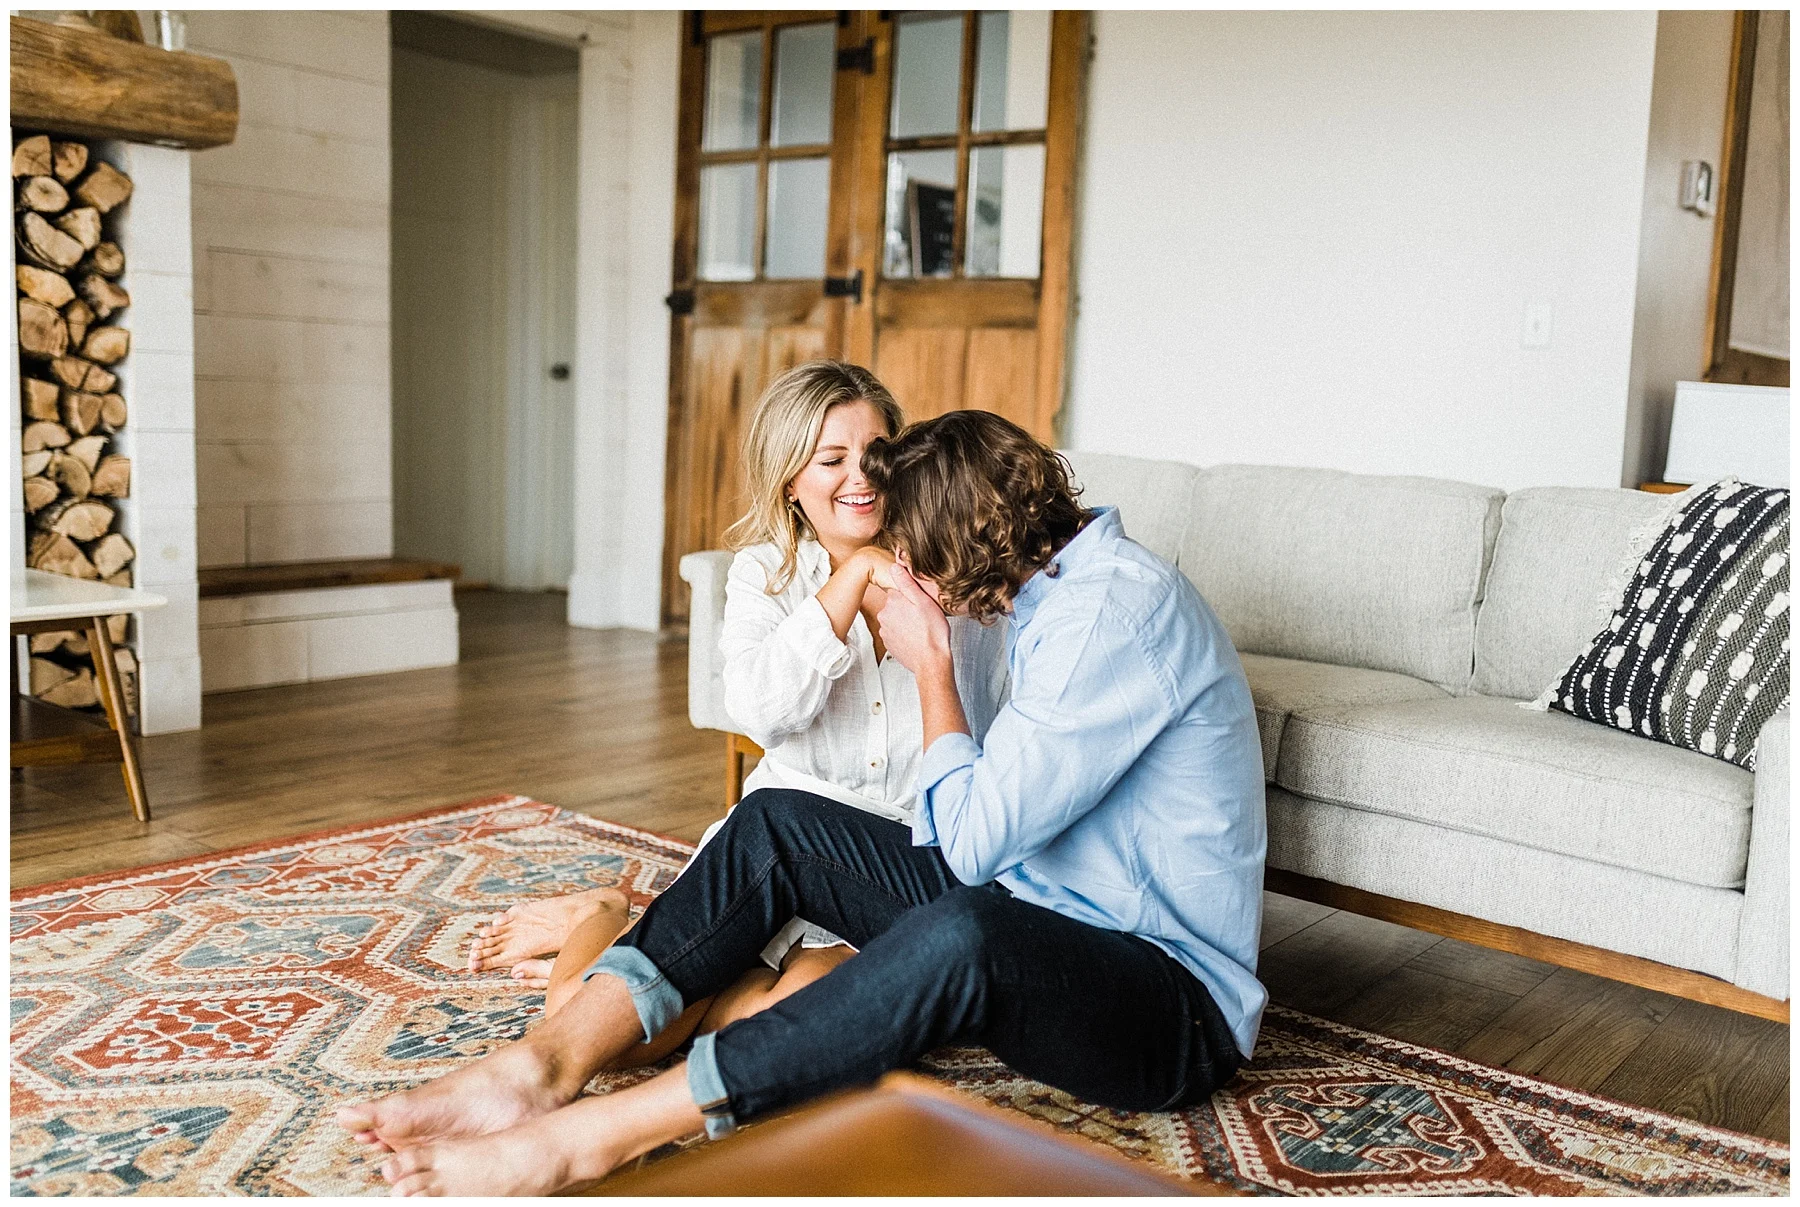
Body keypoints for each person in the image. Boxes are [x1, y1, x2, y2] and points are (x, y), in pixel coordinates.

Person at [337, 409, 1267, 1197]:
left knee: (966, 929)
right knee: (778, 820)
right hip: (1042, 910)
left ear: (963, 548)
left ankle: (590, 1138)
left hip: (1170, 1003)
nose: (908, 577)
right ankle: (538, 1067)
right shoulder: (1045, 588)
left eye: (914, 559)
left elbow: (973, 843)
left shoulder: (1107, 615)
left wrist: (930, 665)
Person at [461, 360, 1006, 1056]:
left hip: (881, 872)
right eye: (831, 459)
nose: (861, 477)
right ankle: (602, 909)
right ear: (791, 481)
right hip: (763, 862)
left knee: (797, 1031)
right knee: (601, 1030)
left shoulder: (954, 568)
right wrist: (853, 579)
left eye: (875, 454)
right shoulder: (765, 573)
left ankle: (680, 967)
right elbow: (759, 712)